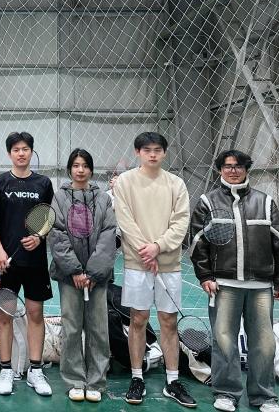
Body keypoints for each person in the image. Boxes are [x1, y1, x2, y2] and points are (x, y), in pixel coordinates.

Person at [190, 150, 279, 412]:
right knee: (224, 341)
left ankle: (264, 396)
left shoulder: (265, 202)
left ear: (246, 169)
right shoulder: (207, 202)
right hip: (224, 286)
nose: (233, 171)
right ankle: (226, 393)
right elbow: (197, 242)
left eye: (238, 166)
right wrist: (205, 276)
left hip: (261, 287)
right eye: (227, 166)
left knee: (264, 344)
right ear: (220, 170)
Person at [113, 132, 195, 407]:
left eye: (157, 149)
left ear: (164, 152)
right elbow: (124, 220)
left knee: (168, 321)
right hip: (137, 264)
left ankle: (173, 381)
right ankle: (137, 377)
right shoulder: (125, 182)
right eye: (146, 149)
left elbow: (181, 222)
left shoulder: (176, 184)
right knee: (138, 319)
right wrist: (145, 251)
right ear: (138, 152)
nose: (152, 154)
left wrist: (158, 247)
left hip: (168, 264)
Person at [0, 131, 54, 396]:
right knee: (5, 315)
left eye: (25, 149)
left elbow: (47, 218)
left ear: (31, 152)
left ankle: (35, 370)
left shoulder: (43, 183)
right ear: (9, 154)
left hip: (35, 263)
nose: (21, 153)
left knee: (35, 314)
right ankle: (6, 370)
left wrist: (39, 237)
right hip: (6, 264)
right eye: (16, 149)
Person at [49, 148, 116, 403]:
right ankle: (75, 380)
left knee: (99, 329)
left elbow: (109, 234)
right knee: (72, 328)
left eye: (85, 165)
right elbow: (57, 235)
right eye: (76, 165)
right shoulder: (59, 198)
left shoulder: (104, 199)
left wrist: (94, 272)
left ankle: (96, 381)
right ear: (69, 169)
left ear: (91, 170)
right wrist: (76, 270)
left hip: (97, 278)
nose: (80, 170)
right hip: (70, 278)